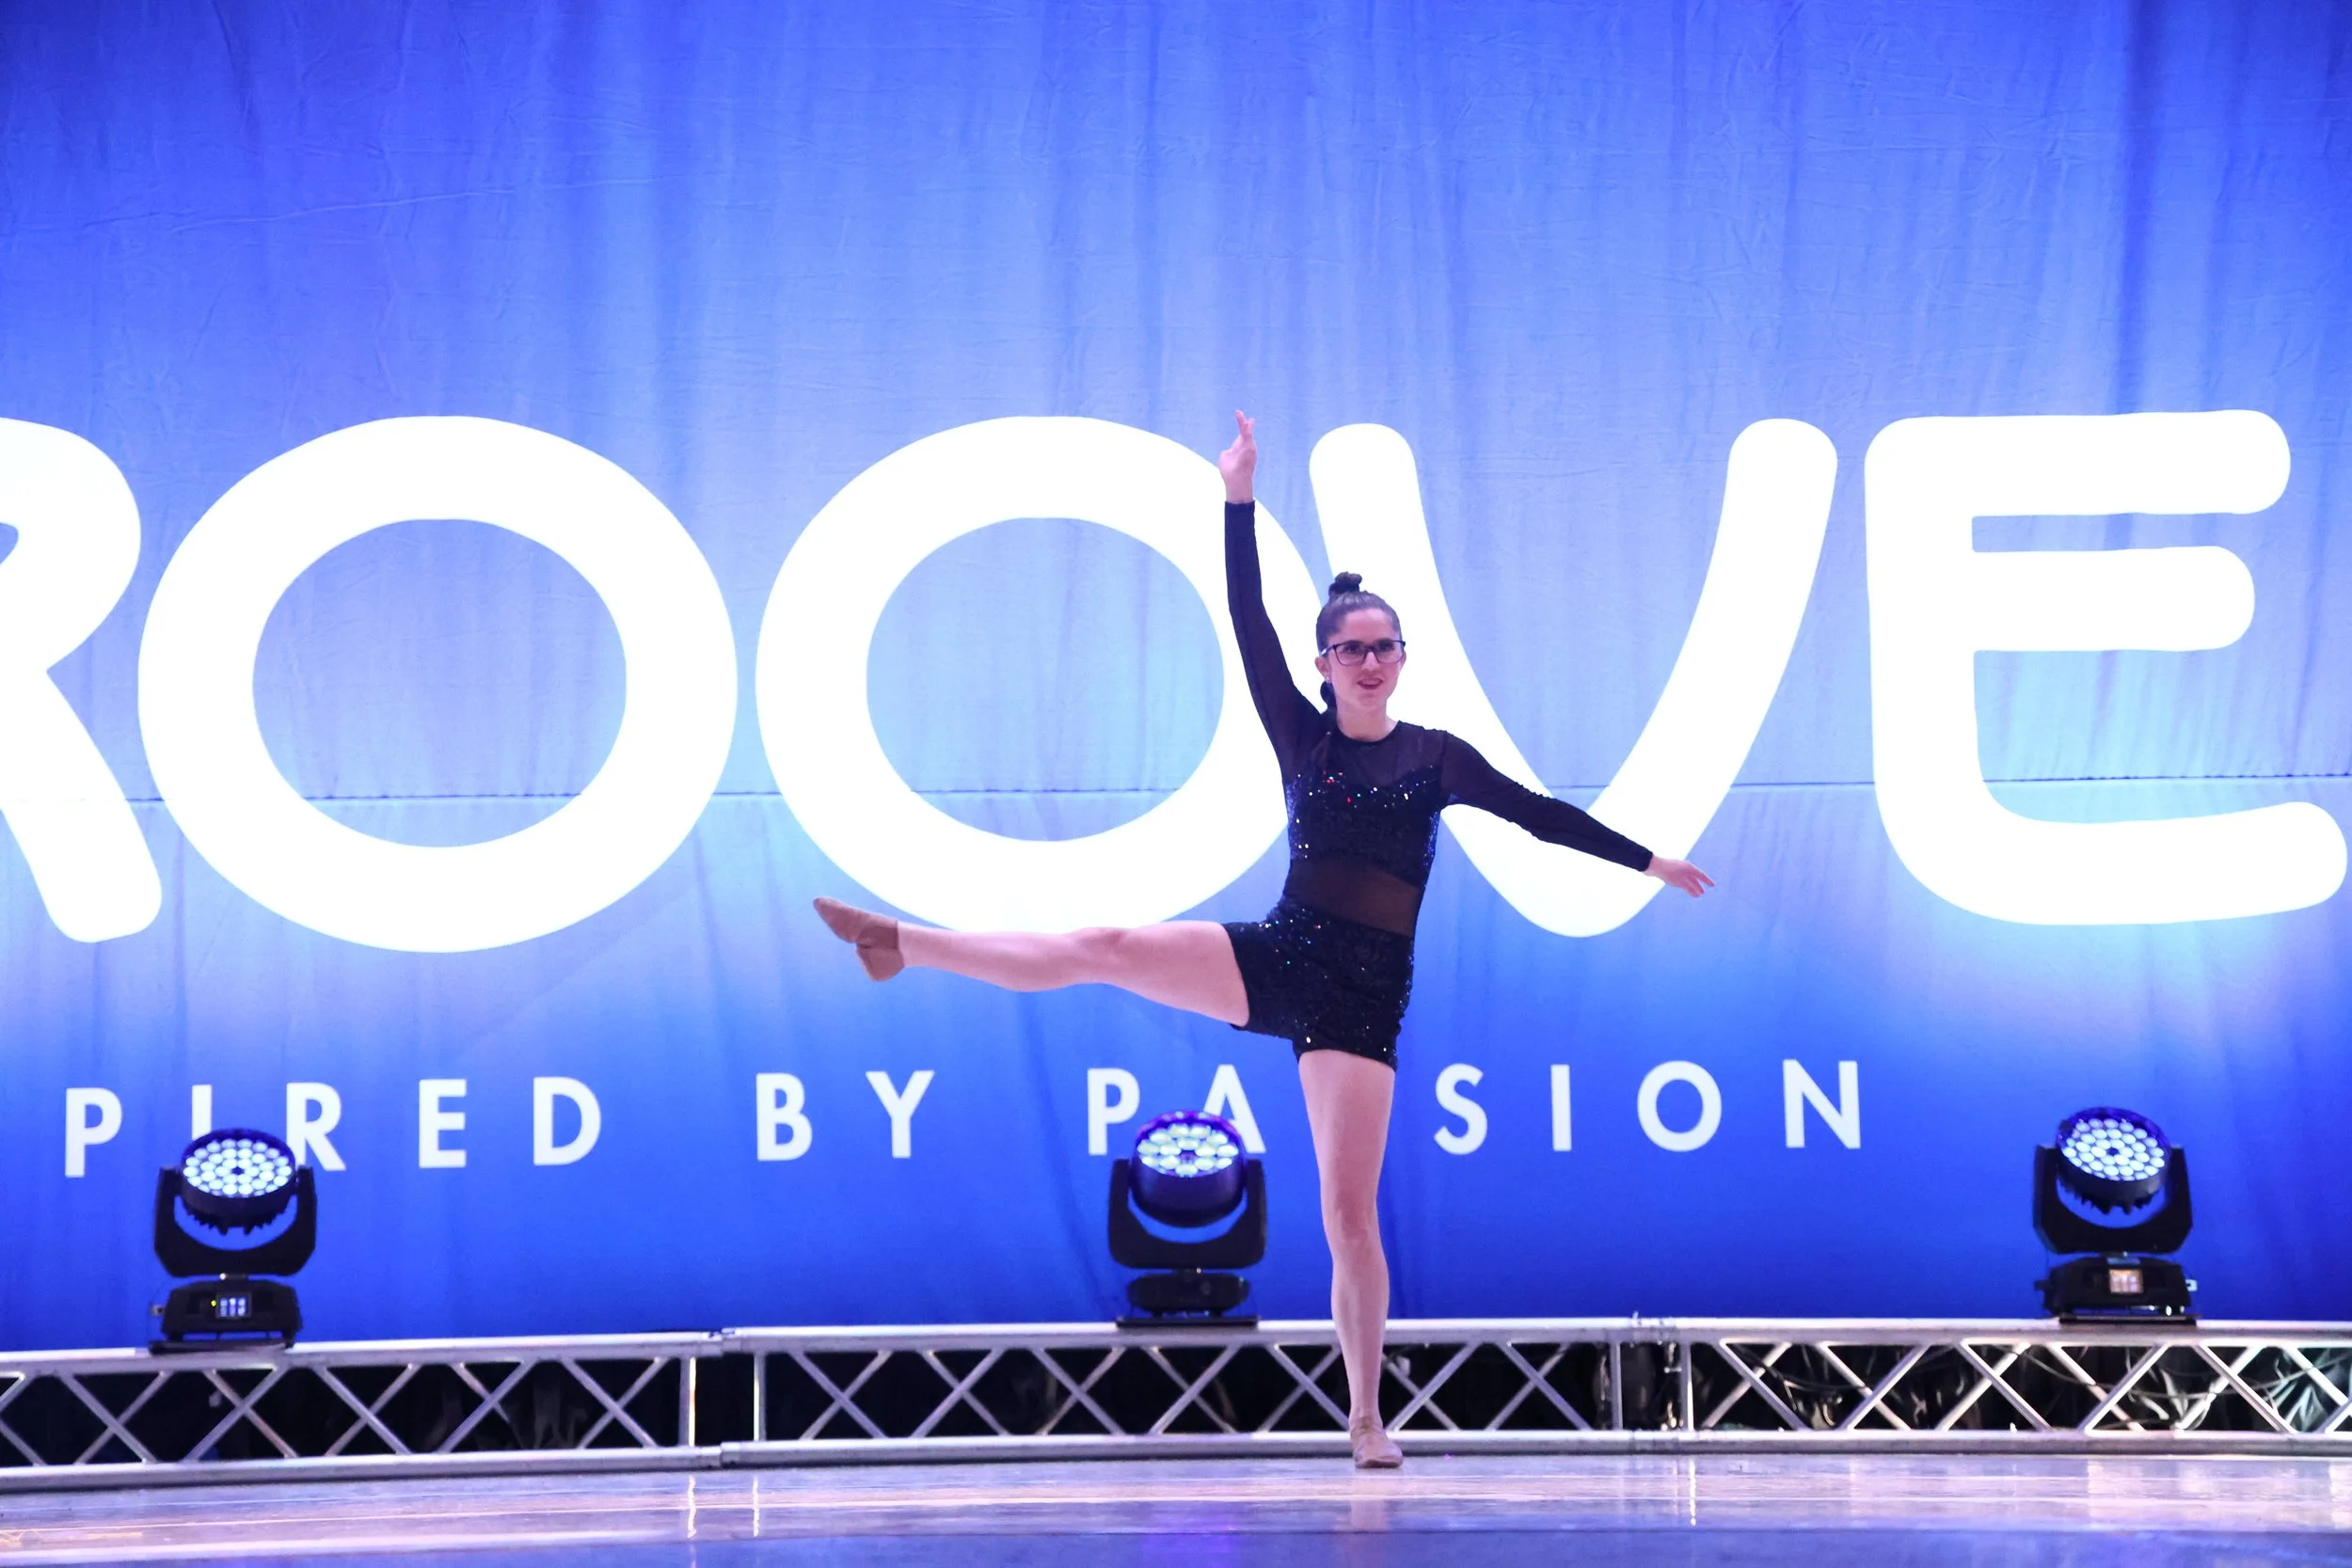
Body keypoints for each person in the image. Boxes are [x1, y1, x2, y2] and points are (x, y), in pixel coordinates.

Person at [814, 411, 1713, 1468]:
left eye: (1386, 646)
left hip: (1360, 1001)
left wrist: (1647, 859)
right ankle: (904, 943)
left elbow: (1537, 813)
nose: (1371, 660)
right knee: (1103, 939)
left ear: (1401, 657)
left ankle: (1367, 1415)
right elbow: (1244, 616)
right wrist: (1237, 496)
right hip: (1276, 954)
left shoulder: (1436, 755)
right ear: (1326, 660)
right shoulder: (1304, 732)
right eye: (1353, 647)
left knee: (1347, 1211)